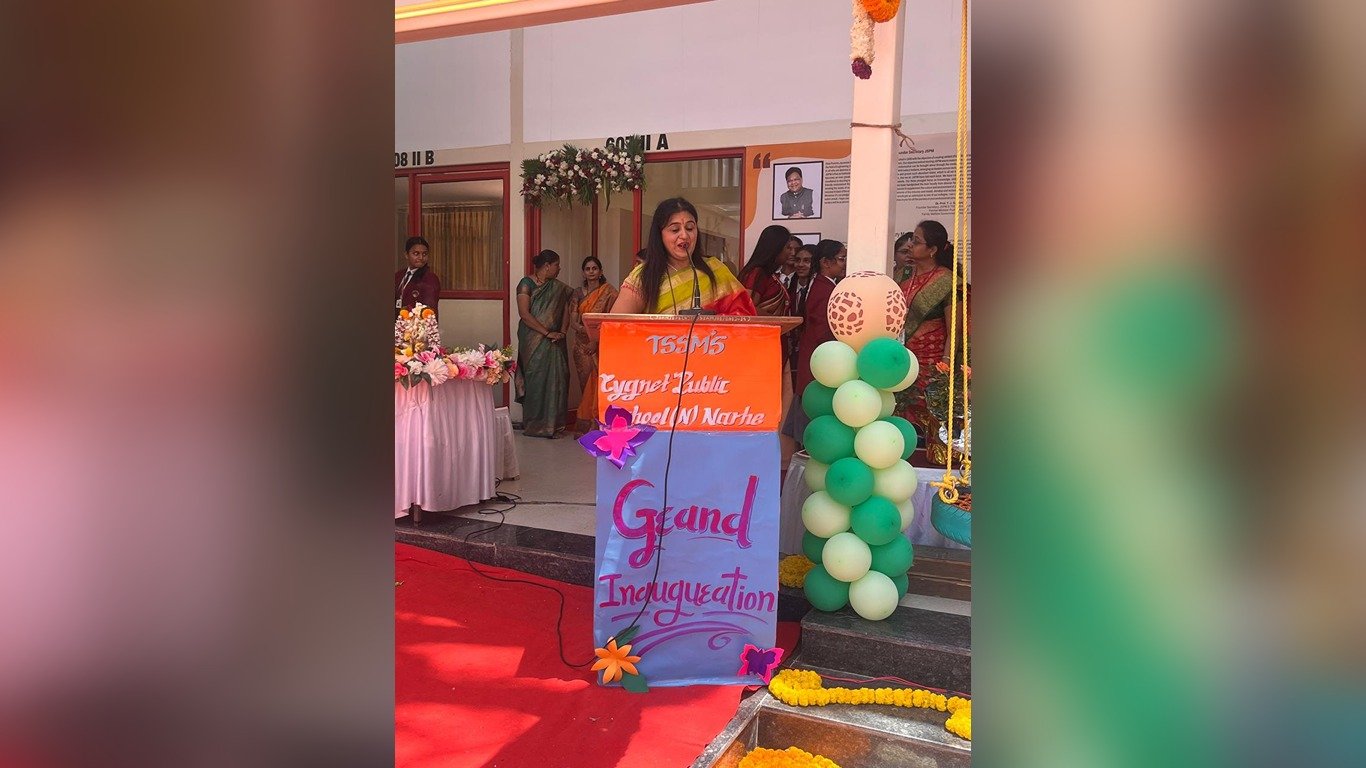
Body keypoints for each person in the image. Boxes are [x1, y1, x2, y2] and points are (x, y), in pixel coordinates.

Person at [609, 198, 756, 316]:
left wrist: (710, 326)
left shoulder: (715, 270)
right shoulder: (644, 276)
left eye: (690, 228)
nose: (684, 235)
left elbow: (745, 318)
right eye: (675, 229)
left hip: (714, 344)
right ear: (660, 235)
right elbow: (616, 326)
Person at [782, 239, 846, 443]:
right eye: (841, 259)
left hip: (813, 357)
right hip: (818, 360)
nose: (844, 263)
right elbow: (822, 331)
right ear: (826, 262)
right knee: (811, 414)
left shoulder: (820, 285)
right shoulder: (825, 289)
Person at [515, 249, 573, 438]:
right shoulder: (526, 283)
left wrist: (562, 332)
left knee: (558, 379)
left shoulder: (559, 288)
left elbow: (566, 310)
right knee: (535, 379)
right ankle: (535, 425)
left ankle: (554, 426)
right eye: (557, 265)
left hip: (555, 340)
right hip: (532, 340)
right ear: (547, 266)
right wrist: (546, 333)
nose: (559, 268)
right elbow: (524, 314)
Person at [899, 220, 955, 392]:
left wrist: (946, 363)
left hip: (931, 362)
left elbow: (954, 332)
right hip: (901, 357)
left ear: (932, 250)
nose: (910, 244)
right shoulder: (903, 274)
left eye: (916, 241)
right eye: (911, 239)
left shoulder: (947, 281)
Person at [569, 256, 618, 434]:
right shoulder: (577, 293)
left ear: (601, 271)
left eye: (594, 268)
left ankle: (599, 425)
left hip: (601, 344)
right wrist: (587, 333)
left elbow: (611, 321)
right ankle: (586, 425)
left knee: (600, 384)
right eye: (587, 269)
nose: (591, 272)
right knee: (585, 385)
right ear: (583, 272)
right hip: (581, 346)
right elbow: (573, 322)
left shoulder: (610, 292)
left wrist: (595, 341)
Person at [737, 224, 793, 316]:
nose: (791, 252)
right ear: (776, 247)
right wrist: (777, 321)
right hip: (765, 325)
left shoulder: (770, 274)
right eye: (788, 247)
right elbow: (747, 308)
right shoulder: (756, 273)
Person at [395, 236, 441, 316]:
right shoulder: (398, 275)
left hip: (416, 321)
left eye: (424, 254)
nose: (421, 257)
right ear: (406, 255)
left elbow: (429, 309)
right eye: (416, 254)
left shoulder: (430, 278)